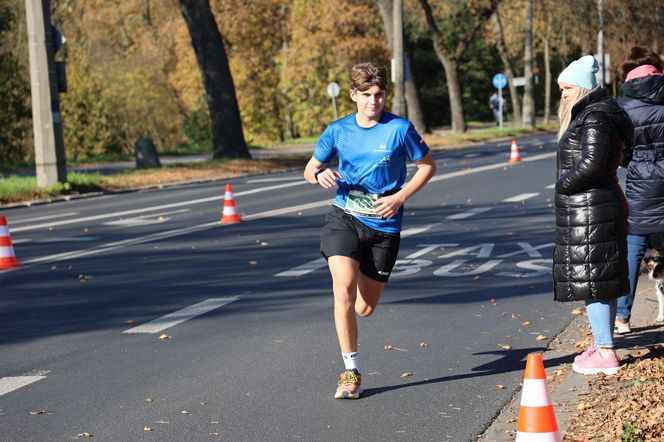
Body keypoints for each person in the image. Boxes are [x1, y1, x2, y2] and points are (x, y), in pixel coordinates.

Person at [304, 62, 436, 399]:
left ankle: (363, 289)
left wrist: (400, 196)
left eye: (378, 95)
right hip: (344, 216)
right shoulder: (338, 130)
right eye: (366, 95)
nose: (373, 102)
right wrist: (319, 176)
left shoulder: (399, 129)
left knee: (364, 308)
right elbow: (311, 168)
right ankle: (351, 372)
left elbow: (427, 166)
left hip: (385, 225)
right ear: (353, 95)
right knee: (343, 292)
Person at [553, 55, 634, 375]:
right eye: (561, 88)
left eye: (567, 88)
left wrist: (562, 186)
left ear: (584, 88)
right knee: (602, 279)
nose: (563, 94)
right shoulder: (600, 112)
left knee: (594, 281)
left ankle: (605, 352)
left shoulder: (596, 116)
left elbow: (591, 163)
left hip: (591, 209)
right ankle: (603, 343)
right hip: (596, 206)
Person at [614, 46, 664, 333]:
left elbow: (622, 154)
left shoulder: (623, 107)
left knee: (633, 250)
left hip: (641, 187)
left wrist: (636, 162)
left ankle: (622, 317)